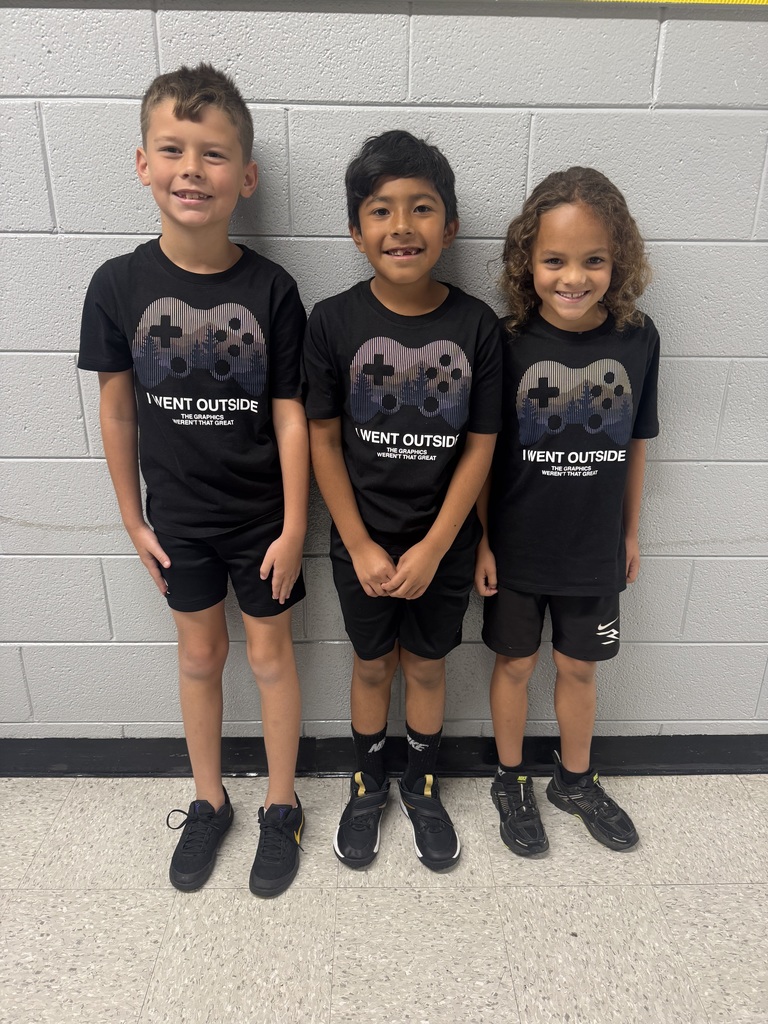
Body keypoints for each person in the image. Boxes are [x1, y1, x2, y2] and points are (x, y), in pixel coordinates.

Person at [78, 64, 309, 897]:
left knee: (271, 656)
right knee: (201, 654)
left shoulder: (274, 290)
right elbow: (116, 414)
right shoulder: (117, 285)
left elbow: (290, 415)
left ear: (244, 178)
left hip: (261, 520)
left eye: (213, 155)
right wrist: (132, 519)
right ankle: (209, 801)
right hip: (176, 516)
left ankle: (281, 805)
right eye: (172, 149)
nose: (191, 169)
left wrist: (293, 525)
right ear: (142, 163)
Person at [304, 129, 501, 871]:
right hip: (363, 541)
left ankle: (421, 781)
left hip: (439, 546)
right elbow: (323, 440)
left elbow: (480, 445)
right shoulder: (332, 322)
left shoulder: (477, 327)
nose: (402, 226)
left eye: (421, 208)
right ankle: (367, 782)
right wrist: (359, 543)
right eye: (381, 211)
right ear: (355, 232)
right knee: (370, 665)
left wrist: (436, 545)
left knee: (425, 664)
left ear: (448, 227)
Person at [475, 166, 659, 856]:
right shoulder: (506, 340)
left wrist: (630, 533)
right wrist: (484, 543)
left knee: (580, 669)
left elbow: (638, 443)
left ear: (619, 261)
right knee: (516, 665)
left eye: (593, 260)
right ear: (528, 261)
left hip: (593, 548)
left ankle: (574, 780)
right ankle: (510, 778)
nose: (573, 277)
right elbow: (483, 458)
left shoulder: (639, 339)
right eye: (554, 260)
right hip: (519, 548)